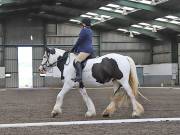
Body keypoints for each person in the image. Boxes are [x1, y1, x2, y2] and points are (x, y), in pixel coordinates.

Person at [71, 17, 94, 83]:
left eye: (82, 23)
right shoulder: (90, 30)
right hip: (89, 49)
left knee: (76, 61)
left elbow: (79, 41)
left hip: (85, 50)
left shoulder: (84, 30)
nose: (81, 25)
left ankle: (79, 77)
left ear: (84, 24)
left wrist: (73, 48)